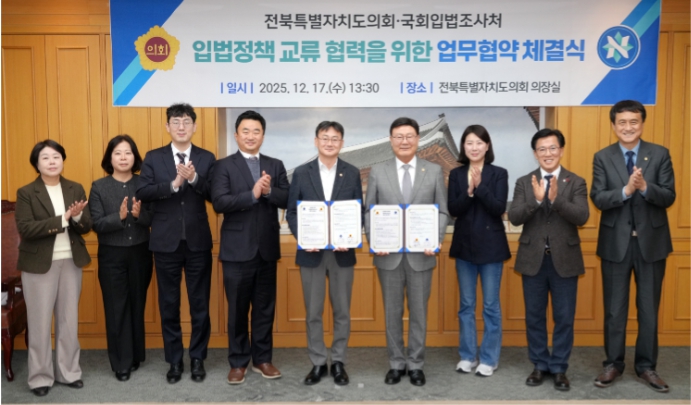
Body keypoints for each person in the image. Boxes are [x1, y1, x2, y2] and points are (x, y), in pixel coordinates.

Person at [590, 100, 675, 393]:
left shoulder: (660, 154)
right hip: (616, 244)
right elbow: (598, 198)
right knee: (615, 310)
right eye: (622, 122)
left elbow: (669, 196)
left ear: (642, 123)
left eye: (633, 122)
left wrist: (645, 188)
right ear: (614, 125)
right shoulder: (602, 157)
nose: (628, 127)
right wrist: (626, 190)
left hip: (652, 244)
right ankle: (613, 364)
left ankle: (647, 366)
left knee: (648, 309)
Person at [364, 117, 449, 387]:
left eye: (409, 136)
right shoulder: (378, 171)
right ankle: (396, 363)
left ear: (417, 139)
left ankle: (416, 364)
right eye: (398, 136)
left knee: (419, 313)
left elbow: (442, 211)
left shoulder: (433, 171)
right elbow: (370, 211)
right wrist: (375, 241)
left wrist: (435, 239)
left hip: (421, 256)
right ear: (391, 140)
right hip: (388, 256)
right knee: (392, 312)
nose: (404, 141)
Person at [136, 103, 216, 384]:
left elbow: (215, 194)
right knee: (169, 305)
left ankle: (197, 358)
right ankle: (174, 361)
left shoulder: (206, 157)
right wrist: (173, 184)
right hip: (165, 242)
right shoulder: (153, 157)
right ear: (167, 126)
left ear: (195, 126)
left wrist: (194, 178)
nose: (181, 127)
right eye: (176, 122)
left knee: (200, 304)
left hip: (198, 242)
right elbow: (143, 191)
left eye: (186, 122)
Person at [211, 110, 289, 385]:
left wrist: (268, 192)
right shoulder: (223, 166)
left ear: (263, 136)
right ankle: (238, 362)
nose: (251, 136)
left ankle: (262, 359)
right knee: (237, 310)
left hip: (266, 249)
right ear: (236, 135)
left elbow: (287, 198)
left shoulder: (275, 165)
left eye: (256, 131)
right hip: (236, 250)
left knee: (265, 308)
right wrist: (252, 194)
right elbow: (219, 202)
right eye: (246, 131)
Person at [508, 128, 589, 391]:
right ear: (535, 154)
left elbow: (582, 216)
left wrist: (555, 200)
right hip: (533, 259)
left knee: (564, 317)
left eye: (552, 148)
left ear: (561, 150)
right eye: (542, 149)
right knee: (534, 316)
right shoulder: (524, 182)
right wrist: (536, 199)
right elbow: (515, 217)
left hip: (565, 259)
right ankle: (540, 364)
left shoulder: (576, 182)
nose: (548, 153)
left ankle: (559, 368)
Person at [286, 121, 364, 386]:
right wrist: (304, 238)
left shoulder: (352, 172)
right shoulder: (301, 173)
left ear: (342, 142)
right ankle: (318, 362)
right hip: (312, 252)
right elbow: (292, 212)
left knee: (342, 311)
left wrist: (350, 237)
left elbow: (358, 210)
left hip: (342, 253)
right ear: (316, 141)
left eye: (335, 138)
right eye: (325, 137)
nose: (330, 143)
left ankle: (339, 361)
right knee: (313, 312)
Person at [15, 140, 92, 397]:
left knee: (68, 321)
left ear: (63, 160)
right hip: (38, 266)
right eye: (45, 157)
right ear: (36, 164)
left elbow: (86, 225)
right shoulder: (26, 192)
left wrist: (77, 216)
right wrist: (63, 219)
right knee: (39, 323)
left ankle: (69, 372)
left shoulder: (74, 187)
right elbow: (26, 228)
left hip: (71, 261)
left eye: (56, 157)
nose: (52, 162)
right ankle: (39, 378)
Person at [89, 135, 153, 382]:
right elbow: (96, 223)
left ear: (135, 157)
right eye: (118, 153)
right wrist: (120, 217)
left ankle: (135, 355)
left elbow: (154, 217)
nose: (123, 157)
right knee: (117, 308)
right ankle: (121, 363)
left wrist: (138, 215)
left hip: (141, 253)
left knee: (137, 303)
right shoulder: (98, 186)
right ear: (110, 158)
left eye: (128, 153)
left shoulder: (144, 184)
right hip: (111, 256)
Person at [448, 125, 510, 377]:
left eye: (479, 143)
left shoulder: (499, 173)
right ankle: (467, 356)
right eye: (469, 143)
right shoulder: (456, 174)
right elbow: (454, 209)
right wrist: (469, 191)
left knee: (491, 306)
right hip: (464, 248)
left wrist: (480, 187)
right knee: (466, 305)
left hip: (492, 249)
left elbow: (497, 208)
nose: (474, 147)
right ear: (463, 146)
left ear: (487, 146)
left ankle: (489, 359)